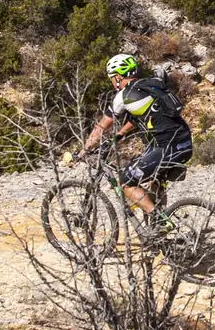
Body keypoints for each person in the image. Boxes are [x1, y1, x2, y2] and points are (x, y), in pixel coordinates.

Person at [79, 52, 194, 225]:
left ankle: (160, 221)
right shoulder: (151, 85)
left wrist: (83, 150)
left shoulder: (123, 96)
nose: (112, 82)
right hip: (184, 143)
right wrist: (120, 134)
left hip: (165, 147)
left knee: (125, 181)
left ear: (117, 76)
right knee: (152, 180)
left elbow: (101, 127)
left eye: (111, 78)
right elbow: (141, 115)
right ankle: (158, 231)